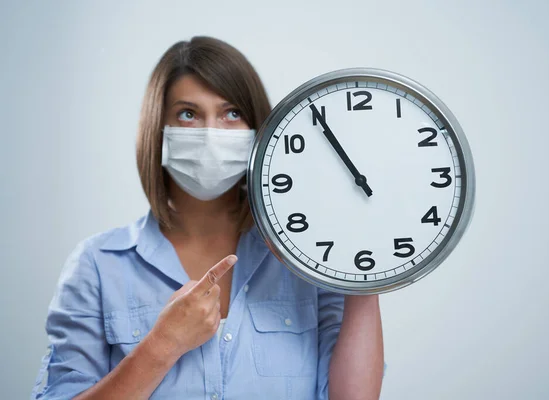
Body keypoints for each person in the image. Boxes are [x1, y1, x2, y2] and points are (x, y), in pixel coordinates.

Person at [31, 36, 385, 400]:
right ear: (158, 129)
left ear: (258, 128)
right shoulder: (99, 265)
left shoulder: (308, 261)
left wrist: (362, 278)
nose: (212, 133)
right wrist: (162, 345)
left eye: (232, 113)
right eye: (188, 114)